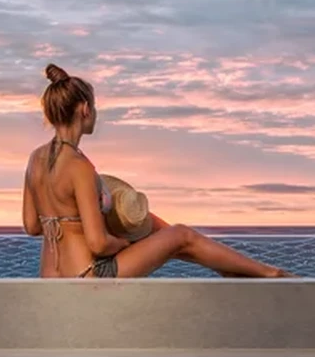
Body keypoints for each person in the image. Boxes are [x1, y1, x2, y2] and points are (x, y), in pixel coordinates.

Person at [22, 64, 293, 279]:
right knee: (181, 235)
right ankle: (269, 272)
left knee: (161, 231)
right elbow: (97, 244)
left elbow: (32, 226)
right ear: (84, 109)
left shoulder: (35, 159)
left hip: (52, 276)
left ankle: (229, 268)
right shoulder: (78, 165)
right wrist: (126, 245)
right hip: (87, 275)